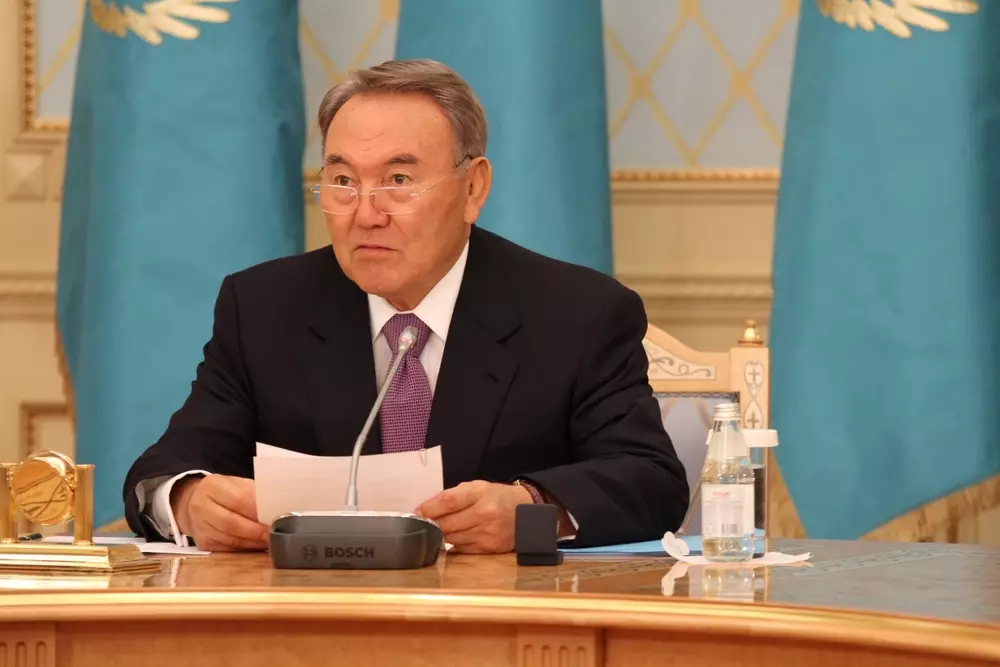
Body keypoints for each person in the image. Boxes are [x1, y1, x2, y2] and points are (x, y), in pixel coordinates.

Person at [122, 59, 689, 553]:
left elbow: (651, 482)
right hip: (310, 614)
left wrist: (532, 509)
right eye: (343, 180)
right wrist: (190, 501)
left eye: (398, 180)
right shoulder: (265, 308)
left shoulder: (577, 313)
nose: (366, 214)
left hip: (494, 616)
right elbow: (162, 472)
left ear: (473, 188)